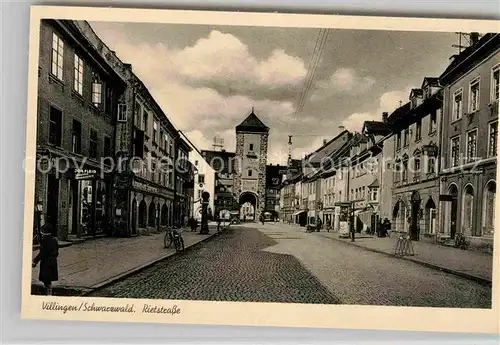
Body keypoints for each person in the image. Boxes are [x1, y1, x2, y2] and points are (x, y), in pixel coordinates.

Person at [32, 224, 59, 296]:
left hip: (46, 263)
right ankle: (48, 292)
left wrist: (35, 261)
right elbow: (56, 252)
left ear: (43, 231)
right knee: (48, 280)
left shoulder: (44, 240)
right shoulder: (54, 240)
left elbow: (42, 253)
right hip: (52, 263)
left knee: (46, 280)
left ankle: (48, 295)